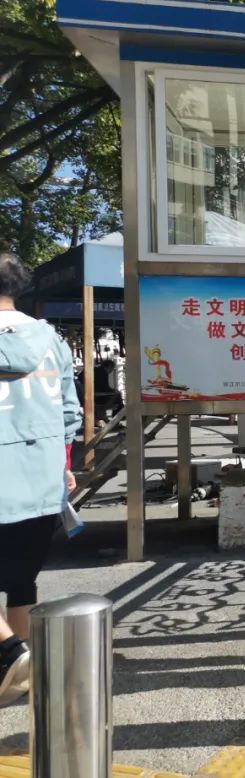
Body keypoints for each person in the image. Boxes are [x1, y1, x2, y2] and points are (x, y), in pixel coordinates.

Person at [0, 253, 81, 693]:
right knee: (20, 578)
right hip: (43, 474)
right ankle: (23, 671)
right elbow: (69, 410)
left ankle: (11, 654)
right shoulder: (51, 340)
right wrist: (64, 465)